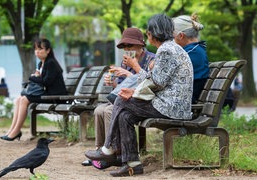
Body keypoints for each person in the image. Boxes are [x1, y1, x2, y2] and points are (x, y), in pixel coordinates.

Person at [85, 13, 193, 177]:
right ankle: (133, 164)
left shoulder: (166, 50)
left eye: (148, 32)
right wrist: (134, 91)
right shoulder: (170, 48)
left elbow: (157, 83)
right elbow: (158, 82)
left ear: (152, 34)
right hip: (169, 103)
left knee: (121, 100)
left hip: (170, 107)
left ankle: (108, 148)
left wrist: (135, 78)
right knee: (125, 115)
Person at [82, 27, 155, 169]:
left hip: (142, 102)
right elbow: (121, 87)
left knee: (109, 111)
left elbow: (150, 85)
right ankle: (100, 149)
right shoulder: (125, 62)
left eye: (130, 45)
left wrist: (130, 72)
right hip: (125, 99)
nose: (127, 49)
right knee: (99, 110)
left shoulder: (152, 60)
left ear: (141, 45)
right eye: (124, 46)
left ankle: (116, 152)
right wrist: (113, 82)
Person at [0, 38, 67, 141]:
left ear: (48, 50)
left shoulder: (51, 63)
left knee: (24, 99)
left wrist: (33, 77)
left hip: (55, 96)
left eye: (40, 49)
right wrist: (36, 77)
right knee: (19, 99)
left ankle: (16, 131)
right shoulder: (41, 64)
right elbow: (42, 80)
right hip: (47, 94)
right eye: (36, 49)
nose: (37, 52)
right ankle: (12, 130)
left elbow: (46, 81)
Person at [173, 14, 209, 104]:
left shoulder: (191, 53)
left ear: (180, 36)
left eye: (171, 36)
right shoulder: (194, 50)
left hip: (182, 104)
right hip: (181, 100)